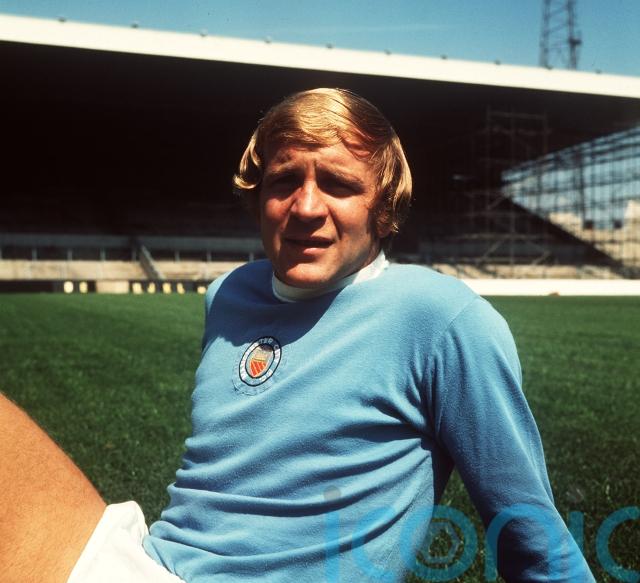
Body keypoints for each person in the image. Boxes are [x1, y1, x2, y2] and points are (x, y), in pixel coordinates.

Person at [0, 88, 594, 583]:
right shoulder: (228, 294)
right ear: (258, 199)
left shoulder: (441, 317)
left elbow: (528, 527)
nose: (305, 207)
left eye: (338, 184)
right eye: (284, 181)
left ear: (384, 207)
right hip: (151, 564)